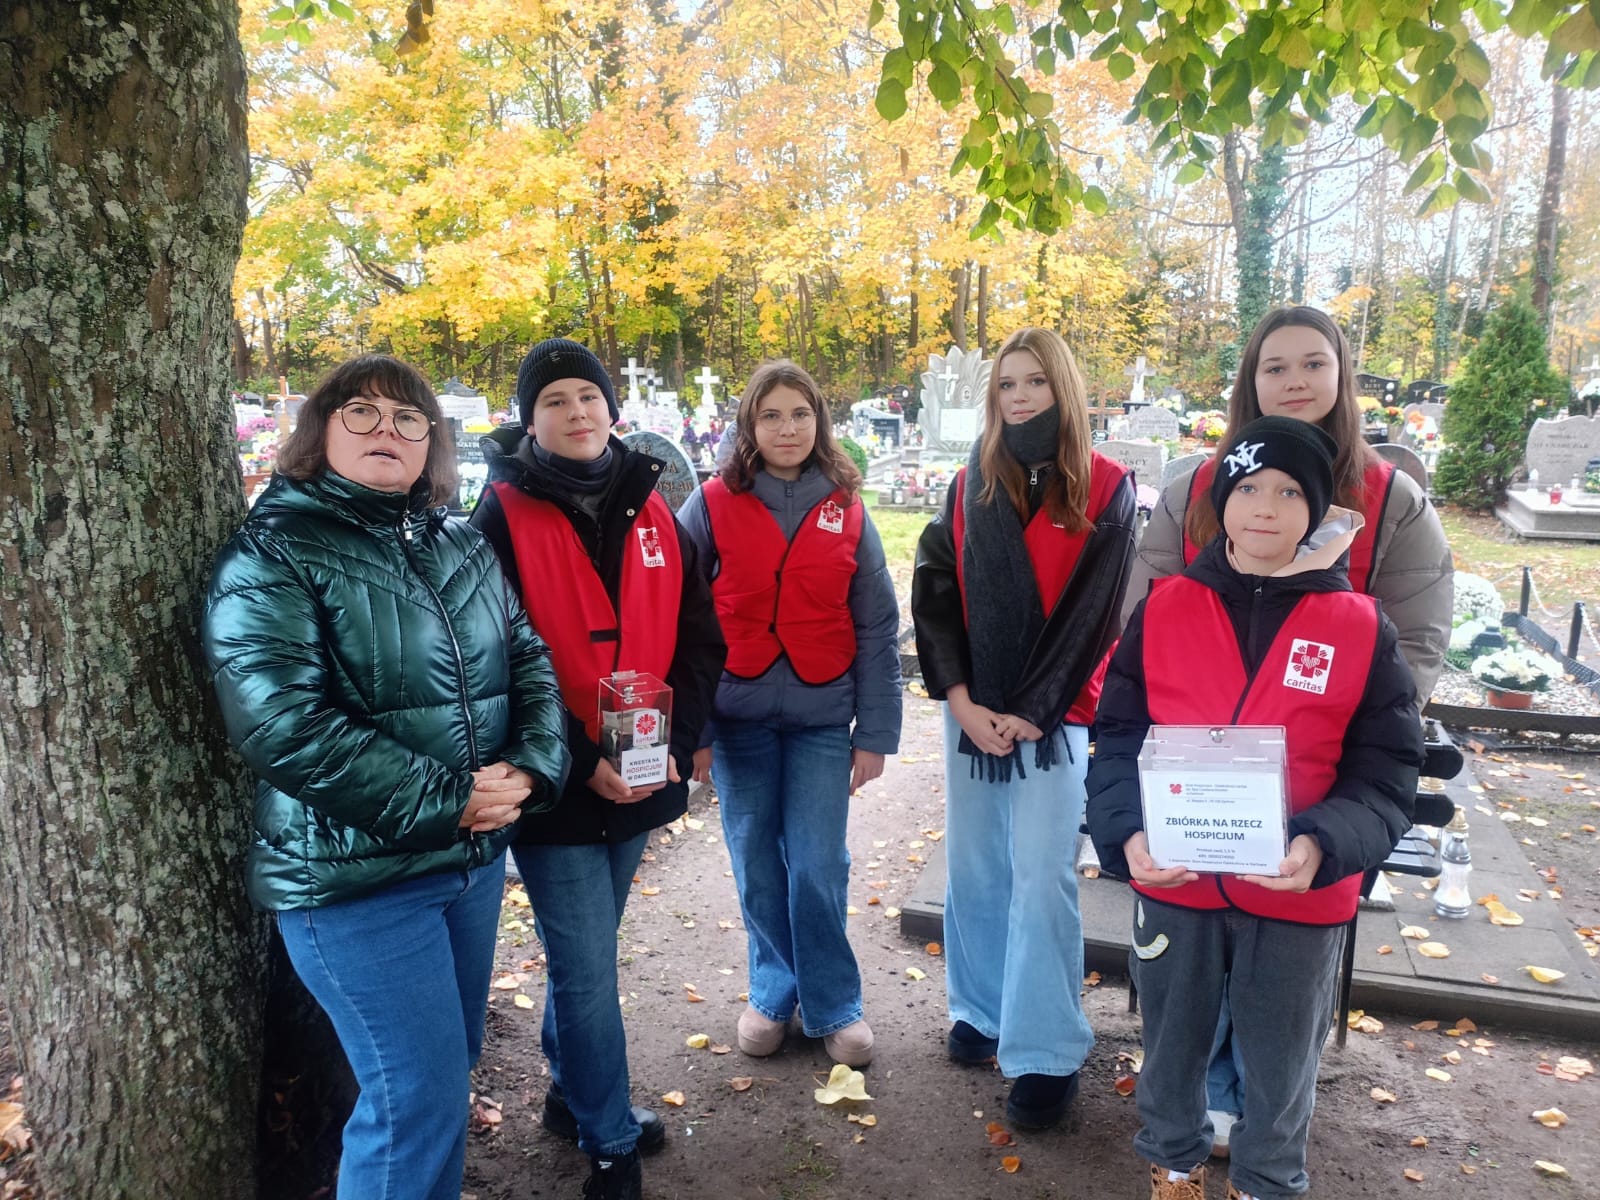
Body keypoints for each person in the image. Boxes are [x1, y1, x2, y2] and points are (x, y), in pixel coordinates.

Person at [203, 355, 570, 1200]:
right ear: (320, 430)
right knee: (413, 1101)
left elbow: (528, 659)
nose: (387, 430)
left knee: (444, 1079)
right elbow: (282, 724)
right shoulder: (273, 552)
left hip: (468, 866)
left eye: (409, 419)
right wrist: (451, 799)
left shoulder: (459, 543)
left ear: (431, 443)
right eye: (361, 412)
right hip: (355, 880)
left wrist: (531, 766)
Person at [1124, 306, 1452, 1154]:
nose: (1295, 380)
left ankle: (1262, 1131)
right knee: (1188, 990)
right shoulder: (1200, 488)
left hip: (1320, 782)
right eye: (1275, 366)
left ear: (1343, 375)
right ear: (1251, 380)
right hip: (1199, 805)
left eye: (1314, 363)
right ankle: (1203, 1112)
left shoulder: (1391, 497)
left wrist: (1328, 721)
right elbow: (1148, 629)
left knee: (1279, 1004)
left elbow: (1411, 648)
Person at [1086, 416, 1423, 1200]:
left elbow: (1385, 772)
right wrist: (1126, 832)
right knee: (1171, 1051)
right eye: (1248, 489)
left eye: (1289, 493)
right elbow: (1120, 738)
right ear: (1220, 504)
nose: (1266, 508)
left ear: (1318, 510)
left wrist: (1321, 843)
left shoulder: (1359, 626)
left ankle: (1268, 1183)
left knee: (1281, 1065)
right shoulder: (1164, 608)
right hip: (1178, 885)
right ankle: (1173, 1170)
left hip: (1300, 896)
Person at [470, 338, 726, 1200]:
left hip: (644, 772)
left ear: (611, 408)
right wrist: (580, 762)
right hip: (555, 786)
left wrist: (677, 743)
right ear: (530, 420)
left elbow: (700, 637)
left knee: (587, 955)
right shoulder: (498, 518)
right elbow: (489, 668)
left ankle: (568, 1095)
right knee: (586, 970)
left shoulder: (655, 507)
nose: (576, 412)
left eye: (588, 396)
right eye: (554, 401)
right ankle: (609, 1141)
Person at [910, 327, 1138, 1129]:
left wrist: (1032, 711)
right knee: (976, 869)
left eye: (1034, 381)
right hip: (973, 712)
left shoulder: (1107, 487)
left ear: (1061, 388)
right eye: (1006, 383)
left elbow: (1094, 613)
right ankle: (981, 1006)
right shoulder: (971, 482)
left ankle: (1045, 1049)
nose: (1019, 396)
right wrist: (962, 700)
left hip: (1058, 714)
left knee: (1042, 877)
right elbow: (935, 589)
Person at [678, 361, 902, 1068]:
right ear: (750, 424)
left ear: (818, 421)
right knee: (755, 860)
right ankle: (773, 992)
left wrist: (877, 733)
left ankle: (834, 1003)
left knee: (816, 864)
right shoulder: (711, 503)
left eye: (800, 414)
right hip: (736, 716)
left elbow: (876, 624)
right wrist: (695, 733)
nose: (787, 428)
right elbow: (681, 621)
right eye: (771, 415)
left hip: (821, 718)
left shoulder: (847, 506)